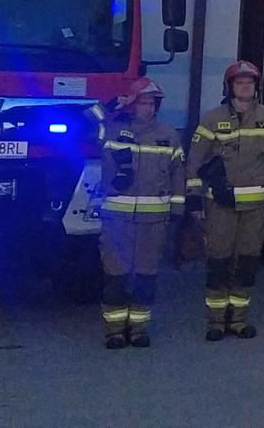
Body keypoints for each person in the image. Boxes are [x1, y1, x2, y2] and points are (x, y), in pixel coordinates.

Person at [187, 60, 264, 341]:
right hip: (220, 205)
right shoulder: (212, 119)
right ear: (229, 87)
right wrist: (194, 198)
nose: (245, 87)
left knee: (246, 262)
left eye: (250, 82)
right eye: (239, 82)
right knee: (219, 261)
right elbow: (195, 161)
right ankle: (217, 321)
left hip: (255, 207)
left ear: (256, 87)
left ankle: (239, 320)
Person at [91, 79, 186, 349]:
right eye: (143, 103)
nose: (149, 108)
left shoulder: (168, 135)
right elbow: (84, 120)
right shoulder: (110, 130)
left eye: (152, 103)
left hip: (153, 220)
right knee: (116, 273)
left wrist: (178, 208)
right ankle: (115, 331)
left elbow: (178, 173)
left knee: (145, 274)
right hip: (116, 220)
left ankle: (139, 329)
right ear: (132, 105)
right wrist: (113, 105)